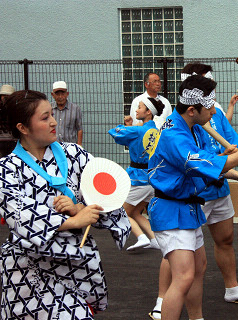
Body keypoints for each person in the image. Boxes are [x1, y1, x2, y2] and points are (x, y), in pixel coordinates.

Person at [0, 90, 131, 319]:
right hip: (28, 271)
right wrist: (70, 221)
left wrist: (81, 209)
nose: (53, 122)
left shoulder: (75, 155)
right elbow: (18, 214)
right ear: (22, 128)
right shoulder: (7, 169)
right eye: (44, 118)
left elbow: (108, 196)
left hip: (76, 265)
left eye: (52, 114)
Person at [147, 75, 238, 320]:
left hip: (189, 208)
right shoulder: (173, 135)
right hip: (170, 210)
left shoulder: (195, 128)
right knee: (183, 276)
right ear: (192, 110)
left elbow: (212, 162)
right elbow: (204, 163)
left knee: (198, 269)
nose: (214, 111)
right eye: (209, 106)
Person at [109, 97, 166, 251]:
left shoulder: (139, 130)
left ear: (148, 112)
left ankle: (141, 237)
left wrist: (127, 126)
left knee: (120, 211)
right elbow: (136, 140)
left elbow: (116, 133)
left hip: (138, 179)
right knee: (135, 212)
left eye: (139, 107)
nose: (136, 110)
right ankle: (154, 239)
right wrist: (132, 126)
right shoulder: (155, 129)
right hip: (151, 178)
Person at [50, 81, 84, 145]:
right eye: (57, 94)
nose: (60, 97)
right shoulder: (49, 108)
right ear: (53, 95)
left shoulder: (75, 109)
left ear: (67, 94)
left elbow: (79, 129)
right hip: (53, 146)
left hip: (70, 146)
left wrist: (79, 145)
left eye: (63, 94)